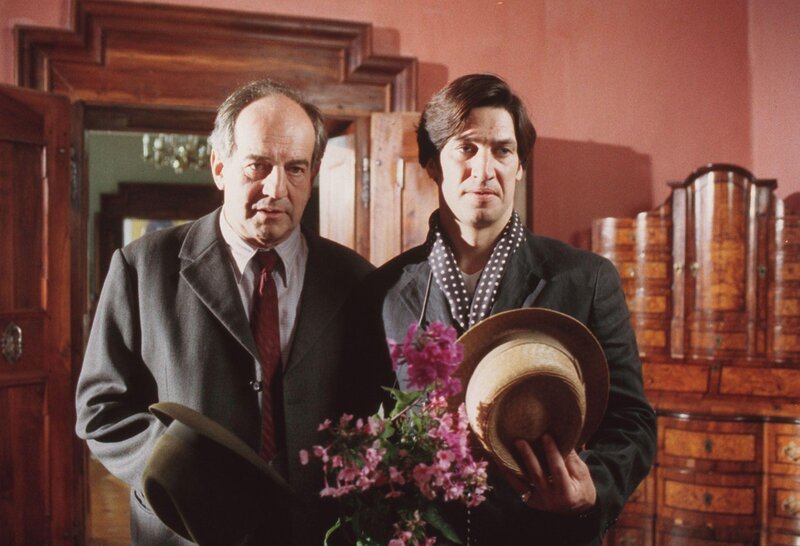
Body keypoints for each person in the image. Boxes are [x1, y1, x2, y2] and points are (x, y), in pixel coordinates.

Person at [357, 73, 657, 545]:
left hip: (546, 533)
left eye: (502, 150)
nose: (484, 169)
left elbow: (632, 421)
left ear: (519, 166)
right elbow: (365, 426)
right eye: (466, 148)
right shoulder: (383, 291)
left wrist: (593, 487)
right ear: (433, 163)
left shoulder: (586, 279)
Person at [75, 79, 374, 545]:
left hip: (318, 532)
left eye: (296, 169)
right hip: (187, 531)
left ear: (313, 174)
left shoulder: (355, 279)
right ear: (219, 166)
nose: (276, 188)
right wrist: (182, 473)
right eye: (258, 165)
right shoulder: (141, 267)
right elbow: (99, 411)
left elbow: (374, 411)